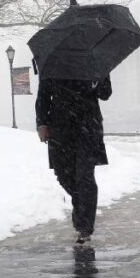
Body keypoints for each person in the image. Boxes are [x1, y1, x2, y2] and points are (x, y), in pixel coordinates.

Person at [36, 76, 112, 245]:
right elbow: (43, 96)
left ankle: (84, 227)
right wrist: (42, 124)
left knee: (85, 176)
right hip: (59, 128)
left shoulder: (94, 61)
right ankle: (81, 205)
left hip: (88, 126)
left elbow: (105, 93)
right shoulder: (53, 62)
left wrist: (97, 80)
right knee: (63, 175)